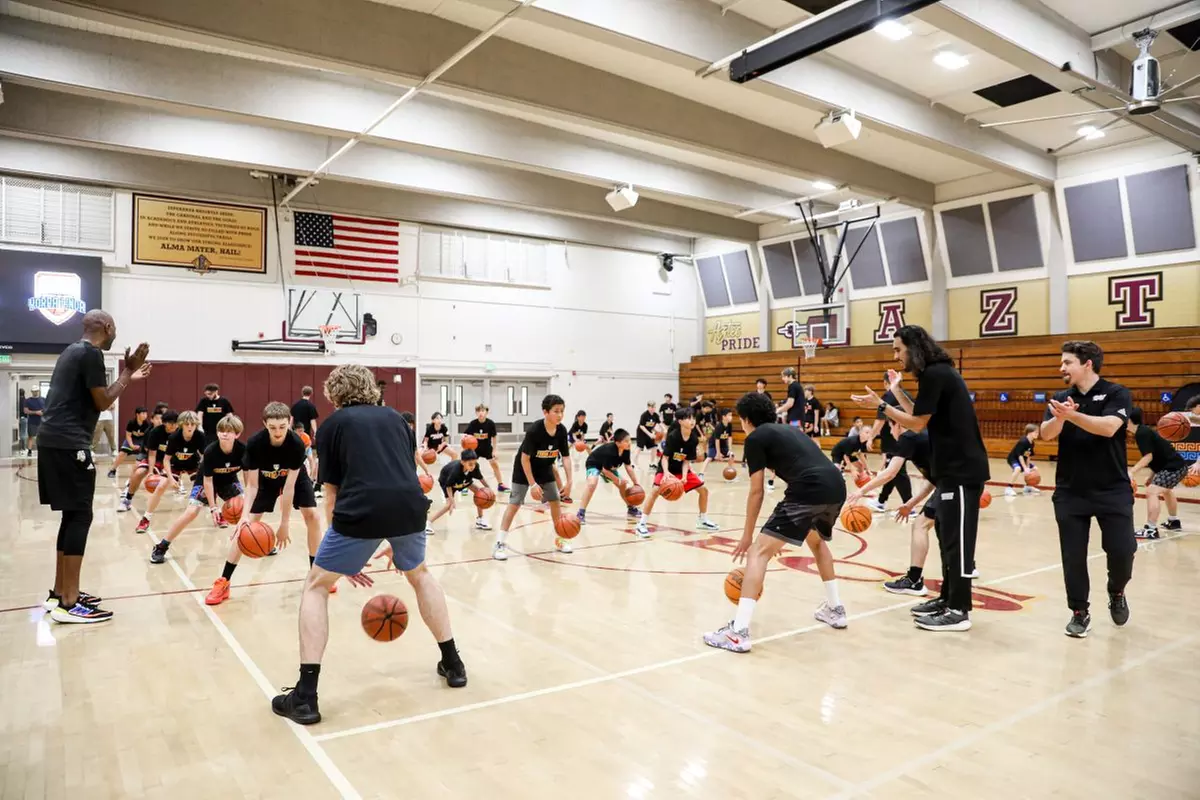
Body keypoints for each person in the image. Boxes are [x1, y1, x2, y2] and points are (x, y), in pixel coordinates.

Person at [271, 364, 465, 725]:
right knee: (420, 574)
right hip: (409, 508)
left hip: (360, 511)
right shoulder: (396, 419)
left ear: (335, 394)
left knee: (316, 586)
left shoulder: (332, 427)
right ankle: (453, 663)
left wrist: (344, 552)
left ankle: (305, 696)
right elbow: (407, 473)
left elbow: (331, 495)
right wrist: (391, 533)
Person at [853, 325, 989, 632]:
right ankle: (947, 598)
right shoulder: (933, 374)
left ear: (914, 348)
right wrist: (896, 391)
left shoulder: (937, 373)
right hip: (950, 472)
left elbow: (915, 422)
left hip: (963, 471)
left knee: (958, 543)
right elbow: (920, 413)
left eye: (898, 350)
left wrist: (882, 405)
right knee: (945, 537)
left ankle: (959, 610)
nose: (895, 356)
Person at [703, 391, 848, 652]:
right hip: (836, 486)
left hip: (810, 488)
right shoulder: (788, 432)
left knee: (758, 553)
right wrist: (780, 532)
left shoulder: (756, 437)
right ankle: (835, 609)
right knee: (817, 543)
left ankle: (738, 632)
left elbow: (756, 491)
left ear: (746, 419)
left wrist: (749, 537)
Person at [36, 309, 150, 623]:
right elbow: (103, 402)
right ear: (107, 327)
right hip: (70, 443)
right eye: (115, 328)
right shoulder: (91, 354)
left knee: (71, 515)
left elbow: (92, 398)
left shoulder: (71, 351)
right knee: (80, 515)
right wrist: (128, 371)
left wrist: (130, 375)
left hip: (53, 441)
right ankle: (69, 604)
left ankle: (60, 592)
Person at [1038, 340, 1136, 638]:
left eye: (1067, 362)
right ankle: (1079, 612)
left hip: (1112, 489)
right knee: (1073, 556)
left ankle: (1116, 590)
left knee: (1122, 551)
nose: (1061, 368)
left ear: (1087, 364)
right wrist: (1059, 416)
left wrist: (1073, 416)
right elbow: (1044, 435)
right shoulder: (1060, 397)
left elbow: (1108, 427)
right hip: (1071, 491)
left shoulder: (1117, 393)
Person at [205, 402, 324, 606]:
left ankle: (316, 576)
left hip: (294, 480)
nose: (278, 432)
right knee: (246, 527)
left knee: (312, 516)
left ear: (290, 422)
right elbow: (251, 486)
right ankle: (224, 581)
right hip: (265, 482)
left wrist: (284, 524)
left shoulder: (296, 444)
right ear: (264, 424)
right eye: (272, 427)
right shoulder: (255, 443)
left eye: (282, 427)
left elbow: (289, 488)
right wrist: (243, 518)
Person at [849, 421, 937, 596]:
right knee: (939, 528)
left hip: (957, 485)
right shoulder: (922, 436)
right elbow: (934, 481)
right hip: (957, 483)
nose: (890, 431)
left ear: (898, 424)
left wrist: (861, 491)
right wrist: (911, 503)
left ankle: (914, 581)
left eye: (890, 427)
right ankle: (966, 568)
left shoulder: (908, 436)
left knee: (921, 525)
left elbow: (890, 473)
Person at [150, 414, 246, 563]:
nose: (224, 434)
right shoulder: (210, 452)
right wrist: (214, 508)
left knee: (246, 509)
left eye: (229, 431)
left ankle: (255, 538)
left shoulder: (243, 450)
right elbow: (208, 481)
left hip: (228, 480)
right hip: (205, 481)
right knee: (191, 512)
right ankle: (162, 546)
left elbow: (248, 479)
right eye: (221, 431)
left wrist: (246, 499)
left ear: (237, 434)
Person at [492, 394, 574, 561]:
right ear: (545, 412)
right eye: (556, 411)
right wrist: (532, 484)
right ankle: (500, 543)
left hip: (544, 468)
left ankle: (560, 538)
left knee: (555, 501)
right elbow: (524, 458)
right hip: (523, 469)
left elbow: (565, 457)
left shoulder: (562, 430)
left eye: (562, 411)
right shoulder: (535, 430)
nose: (560, 415)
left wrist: (570, 480)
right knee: (514, 504)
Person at [634, 409, 720, 537]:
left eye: (693, 418)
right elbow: (665, 458)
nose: (692, 421)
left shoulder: (693, 439)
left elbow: (686, 460)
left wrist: (685, 476)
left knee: (704, 490)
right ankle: (641, 524)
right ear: (680, 421)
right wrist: (667, 473)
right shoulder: (673, 436)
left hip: (681, 469)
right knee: (655, 491)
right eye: (688, 418)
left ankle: (702, 520)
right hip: (666, 468)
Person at [133, 410, 206, 533]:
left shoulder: (200, 436)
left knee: (206, 486)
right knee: (161, 486)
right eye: (187, 424)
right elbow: (166, 460)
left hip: (193, 464)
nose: (190, 427)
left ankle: (217, 512)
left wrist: (204, 473)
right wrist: (171, 479)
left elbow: (205, 456)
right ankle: (146, 518)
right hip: (174, 464)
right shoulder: (174, 437)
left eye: (192, 424)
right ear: (181, 424)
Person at [1128, 407, 1186, 539]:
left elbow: (1148, 457)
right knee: (1166, 490)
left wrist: (1132, 471)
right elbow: (1158, 456)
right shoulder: (1144, 431)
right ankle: (1173, 521)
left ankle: (1151, 529)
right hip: (1175, 465)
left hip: (1173, 467)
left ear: (1128, 420)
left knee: (1151, 491)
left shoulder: (1141, 433)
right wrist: (1152, 476)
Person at [860, 374, 913, 513]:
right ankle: (881, 501)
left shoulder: (887, 397)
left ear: (885, 383)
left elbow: (880, 420)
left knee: (898, 472)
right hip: (907, 435)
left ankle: (909, 505)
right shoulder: (907, 395)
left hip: (893, 439)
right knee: (892, 470)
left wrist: (871, 437)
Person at [576, 429, 642, 525]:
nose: (629, 443)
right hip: (594, 464)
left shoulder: (626, 450)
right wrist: (618, 480)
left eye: (630, 440)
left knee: (623, 486)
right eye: (626, 441)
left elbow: (628, 466)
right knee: (592, 484)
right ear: (618, 443)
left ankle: (631, 508)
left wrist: (636, 483)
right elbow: (605, 470)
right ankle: (581, 512)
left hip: (608, 467)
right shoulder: (610, 452)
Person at [427, 449, 491, 531]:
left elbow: (481, 478)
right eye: (470, 464)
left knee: (480, 493)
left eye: (474, 463)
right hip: (446, 481)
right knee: (448, 505)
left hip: (462, 480)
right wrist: (452, 500)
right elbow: (448, 486)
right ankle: (428, 523)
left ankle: (480, 520)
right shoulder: (455, 471)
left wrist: (488, 489)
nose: (473, 466)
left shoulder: (475, 467)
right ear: (463, 462)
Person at [464, 405, 508, 492]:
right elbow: (466, 435)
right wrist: (466, 443)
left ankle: (500, 484)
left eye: (483, 411)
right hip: (475, 448)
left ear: (486, 412)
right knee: (469, 465)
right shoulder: (473, 423)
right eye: (478, 411)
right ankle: (465, 484)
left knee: (494, 464)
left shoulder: (490, 423)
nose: (481, 413)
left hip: (487, 448)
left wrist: (495, 450)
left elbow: (494, 437)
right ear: (476, 413)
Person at [109, 405, 151, 479]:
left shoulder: (147, 424)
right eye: (143, 413)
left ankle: (150, 472)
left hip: (142, 441)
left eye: (146, 414)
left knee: (149, 454)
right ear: (137, 414)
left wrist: (143, 446)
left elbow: (147, 437)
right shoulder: (131, 423)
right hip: (132, 439)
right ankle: (113, 470)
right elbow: (128, 436)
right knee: (122, 453)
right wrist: (131, 445)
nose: (145, 415)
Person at [1005, 424, 1040, 497]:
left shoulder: (1032, 443)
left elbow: (1028, 456)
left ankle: (1028, 486)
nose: (1038, 434)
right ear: (1030, 432)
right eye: (1036, 432)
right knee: (1018, 469)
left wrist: (1027, 467)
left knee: (1035, 469)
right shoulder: (1023, 441)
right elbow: (1020, 456)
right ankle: (1009, 488)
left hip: (1022, 459)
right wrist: (1024, 468)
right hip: (1013, 459)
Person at [699, 407, 735, 477]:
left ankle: (730, 473)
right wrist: (718, 453)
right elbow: (717, 440)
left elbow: (730, 437)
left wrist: (730, 449)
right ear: (724, 417)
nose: (731, 417)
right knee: (709, 458)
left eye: (731, 415)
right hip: (713, 445)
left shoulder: (729, 425)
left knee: (732, 455)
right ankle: (701, 474)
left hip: (723, 445)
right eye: (729, 415)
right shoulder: (719, 426)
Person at [635, 400, 661, 474]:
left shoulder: (656, 415)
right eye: (651, 407)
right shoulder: (644, 415)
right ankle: (634, 464)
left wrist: (663, 430)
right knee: (639, 448)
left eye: (654, 407)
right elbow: (642, 426)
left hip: (649, 433)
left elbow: (658, 424)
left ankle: (652, 464)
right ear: (648, 407)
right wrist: (650, 434)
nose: (652, 408)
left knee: (654, 447)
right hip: (641, 433)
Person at [23, 388, 45, 457]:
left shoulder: (43, 400)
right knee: (31, 437)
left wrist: (43, 412)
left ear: (38, 391)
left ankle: (42, 451)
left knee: (42, 437)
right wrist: (36, 412)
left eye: (36, 391)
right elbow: (26, 411)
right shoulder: (28, 400)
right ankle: (29, 451)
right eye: (34, 391)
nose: (35, 392)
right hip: (32, 422)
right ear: (31, 391)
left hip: (42, 422)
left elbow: (47, 408)